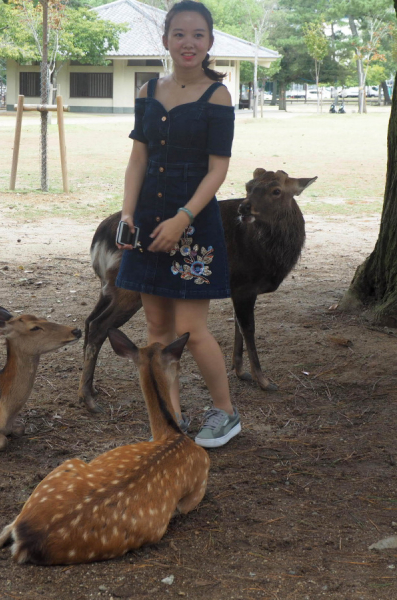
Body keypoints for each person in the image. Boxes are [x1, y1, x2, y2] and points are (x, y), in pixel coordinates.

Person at [115, 0, 240, 448]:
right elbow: (138, 158)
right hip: (148, 223)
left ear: (210, 42)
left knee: (193, 330)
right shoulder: (148, 91)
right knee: (157, 331)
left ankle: (225, 413)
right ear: (165, 39)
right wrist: (128, 215)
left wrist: (183, 219)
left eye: (198, 35)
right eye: (180, 34)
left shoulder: (217, 96)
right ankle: (173, 420)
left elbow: (218, 170)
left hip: (194, 224)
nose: (188, 43)